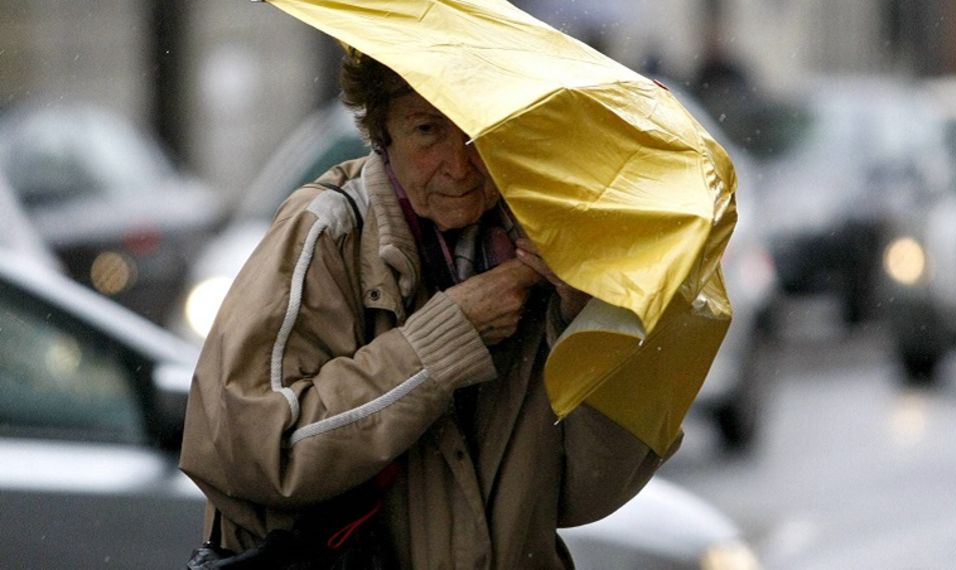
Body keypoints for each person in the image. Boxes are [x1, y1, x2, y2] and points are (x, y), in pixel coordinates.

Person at [179, 50, 677, 568]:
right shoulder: (326, 234)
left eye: (475, 129)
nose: (459, 164)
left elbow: (586, 494)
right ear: (383, 135)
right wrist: (443, 341)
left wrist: (587, 320)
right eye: (426, 130)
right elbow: (253, 454)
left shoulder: (549, 245)